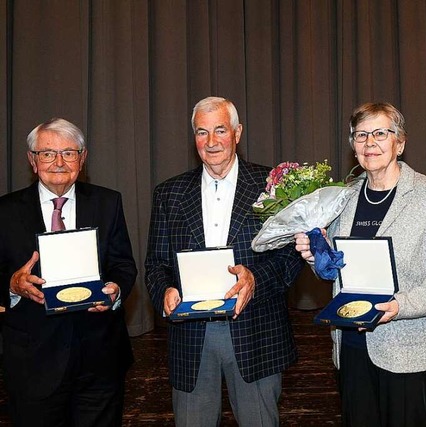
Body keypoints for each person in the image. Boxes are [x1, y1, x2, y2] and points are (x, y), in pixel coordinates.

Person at [295, 102, 426, 426]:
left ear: (399, 142)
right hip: (352, 347)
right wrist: (315, 256)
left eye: (380, 133)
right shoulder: (343, 198)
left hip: (409, 350)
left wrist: (400, 305)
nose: (369, 143)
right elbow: (335, 268)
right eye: (361, 135)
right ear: (353, 146)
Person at [144, 96, 304, 426]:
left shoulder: (272, 187)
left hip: (255, 330)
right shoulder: (169, 194)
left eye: (220, 130)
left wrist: (255, 280)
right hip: (191, 337)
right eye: (202, 132)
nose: (212, 141)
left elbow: (290, 258)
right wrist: (163, 291)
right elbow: (155, 263)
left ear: (237, 132)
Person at [0, 118, 137, 426]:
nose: (59, 162)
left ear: (83, 158)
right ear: (32, 160)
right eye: (48, 153)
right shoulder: (5, 211)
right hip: (32, 362)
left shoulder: (108, 202)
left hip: (99, 361)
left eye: (69, 153)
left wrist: (115, 288)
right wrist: (12, 284)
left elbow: (123, 264)